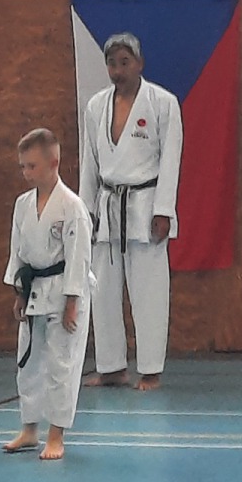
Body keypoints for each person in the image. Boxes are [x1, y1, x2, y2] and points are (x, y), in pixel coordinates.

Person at [79, 32, 183, 391]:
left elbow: (171, 160)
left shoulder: (163, 103)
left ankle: (150, 368)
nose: (118, 70)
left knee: (149, 293)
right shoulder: (96, 106)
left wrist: (163, 210)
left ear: (139, 63)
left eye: (125, 62)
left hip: (145, 205)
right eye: (112, 63)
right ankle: (111, 367)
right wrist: (86, 210)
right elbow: (89, 163)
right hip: (107, 207)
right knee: (103, 292)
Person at [3, 128, 93, 460]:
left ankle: (56, 435)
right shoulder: (22, 204)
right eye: (23, 166)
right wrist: (18, 292)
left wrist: (72, 302)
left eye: (32, 166)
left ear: (53, 163)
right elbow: (18, 253)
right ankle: (29, 429)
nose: (26, 173)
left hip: (64, 291)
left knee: (61, 364)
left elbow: (79, 258)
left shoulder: (72, 207)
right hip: (34, 290)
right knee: (28, 361)